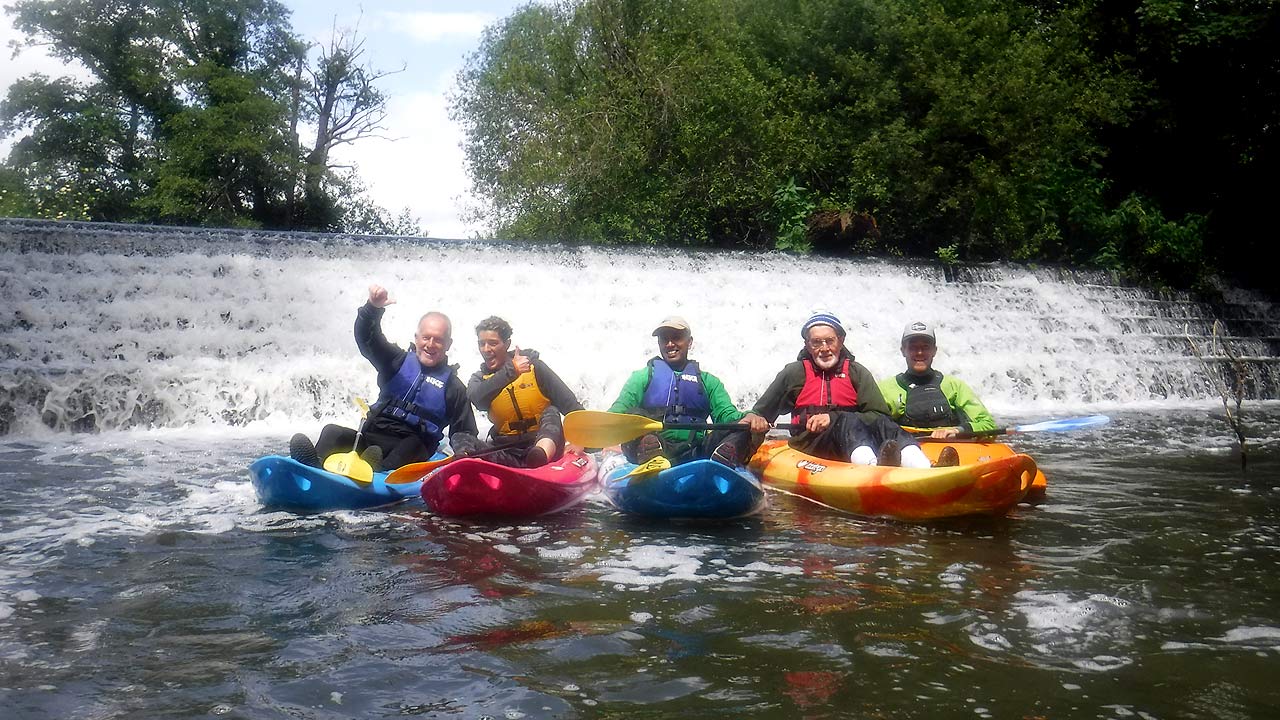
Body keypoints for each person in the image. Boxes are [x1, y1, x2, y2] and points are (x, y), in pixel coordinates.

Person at [289, 284, 480, 471]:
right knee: (332, 431)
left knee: (412, 445)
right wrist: (372, 308)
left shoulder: (453, 387)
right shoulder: (396, 361)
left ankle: (374, 472)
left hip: (410, 449)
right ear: (416, 338)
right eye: (426, 337)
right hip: (371, 438)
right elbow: (367, 339)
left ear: (448, 344)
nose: (430, 344)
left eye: (438, 339)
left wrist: (464, 450)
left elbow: (464, 430)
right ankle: (312, 468)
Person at [739, 311, 933, 468]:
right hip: (811, 445)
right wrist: (755, 419)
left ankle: (922, 465)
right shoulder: (793, 373)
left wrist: (834, 418)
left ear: (840, 341)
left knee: (884, 424)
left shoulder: (857, 372)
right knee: (846, 420)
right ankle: (872, 467)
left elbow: (878, 415)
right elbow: (760, 413)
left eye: (830, 341)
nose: (824, 348)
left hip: (854, 442)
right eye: (816, 342)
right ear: (807, 345)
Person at [607, 316, 759, 467]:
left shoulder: (709, 381)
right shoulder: (641, 377)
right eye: (664, 339)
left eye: (676, 338)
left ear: (690, 342)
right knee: (633, 415)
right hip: (656, 449)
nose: (670, 344)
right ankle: (650, 452)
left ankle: (721, 462)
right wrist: (601, 427)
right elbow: (620, 408)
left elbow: (727, 414)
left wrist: (749, 418)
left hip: (696, 451)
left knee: (740, 427)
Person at [466, 316, 584, 468]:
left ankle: (539, 455)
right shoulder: (479, 379)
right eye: (481, 344)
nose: (486, 349)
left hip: (545, 447)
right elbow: (478, 400)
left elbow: (570, 405)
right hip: (507, 450)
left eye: (493, 343)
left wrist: (583, 441)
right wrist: (511, 371)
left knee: (551, 411)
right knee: (467, 441)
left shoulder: (535, 368)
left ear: (507, 343)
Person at [878, 321, 997, 440]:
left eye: (925, 347)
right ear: (903, 350)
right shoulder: (885, 389)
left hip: (951, 450)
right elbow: (872, 426)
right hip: (906, 449)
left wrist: (957, 430)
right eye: (913, 347)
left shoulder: (955, 386)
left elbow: (988, 425)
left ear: (934, 350)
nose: (919, 353)